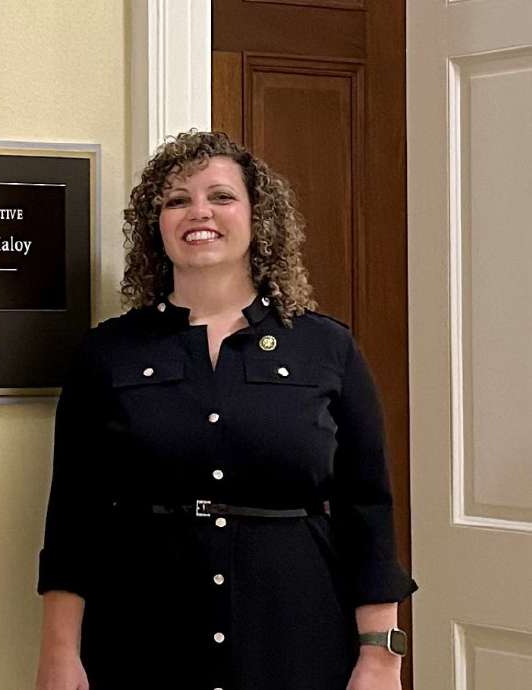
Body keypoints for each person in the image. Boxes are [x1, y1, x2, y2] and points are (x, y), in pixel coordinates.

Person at [34, 131, 416, 690]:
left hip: (298, 636)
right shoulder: (109, 352)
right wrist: (59, 652)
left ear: (258, 217)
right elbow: (74, 515)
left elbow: (368, 508)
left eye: (221, 196)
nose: (199, 212)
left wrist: (381, 655)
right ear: (156, 226)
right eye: (177, 200)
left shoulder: (326, 348)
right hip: (143, 639)